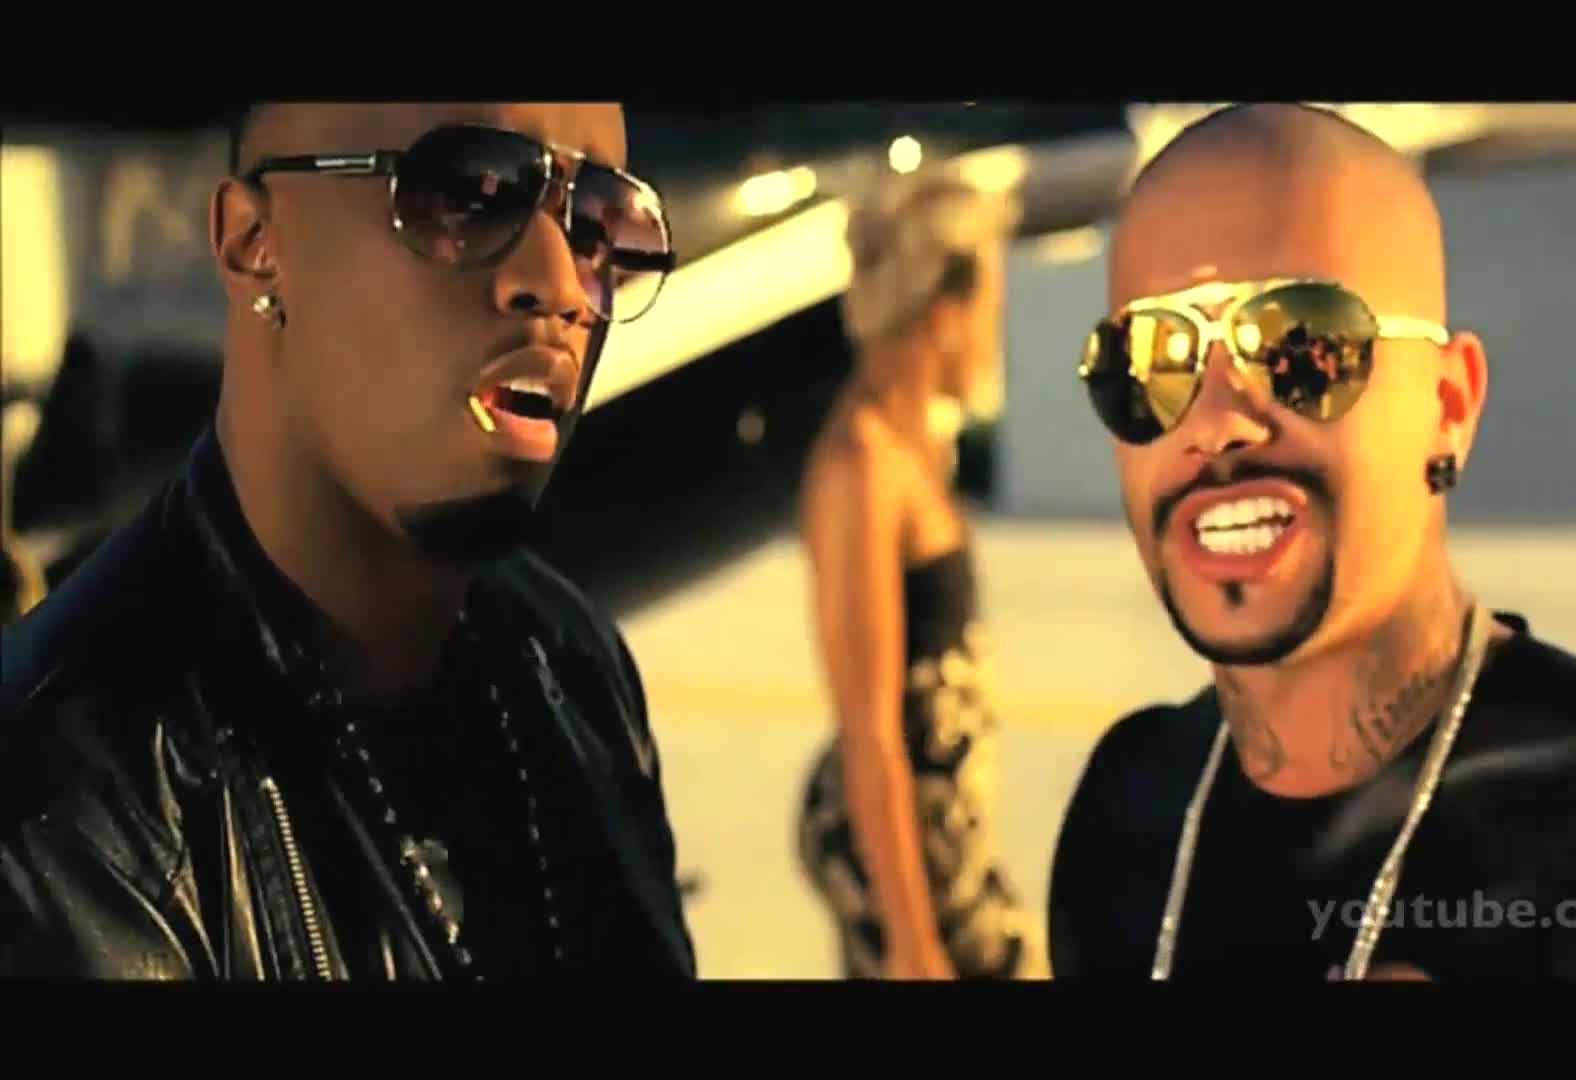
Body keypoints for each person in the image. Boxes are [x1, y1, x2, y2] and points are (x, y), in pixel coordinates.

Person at [1048, 103, 1576, 980]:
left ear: (1449, 405)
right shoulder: (1127, 809)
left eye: (1299, 344)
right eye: (1149, 362)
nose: (1214, 424)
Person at [0, 102, 696, 979]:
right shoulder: (66, 812)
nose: (561, 284)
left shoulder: (574, 668)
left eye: (596, 223)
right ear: (255, 242)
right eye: (471, 193)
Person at [794, 168, 1041, 980]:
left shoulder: (914, 446)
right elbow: (869, 726)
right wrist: (911, 944)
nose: (994, 336)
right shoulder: (860, 468)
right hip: (903, 866)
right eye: (989, 311)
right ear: (943, 317)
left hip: (946, 854)